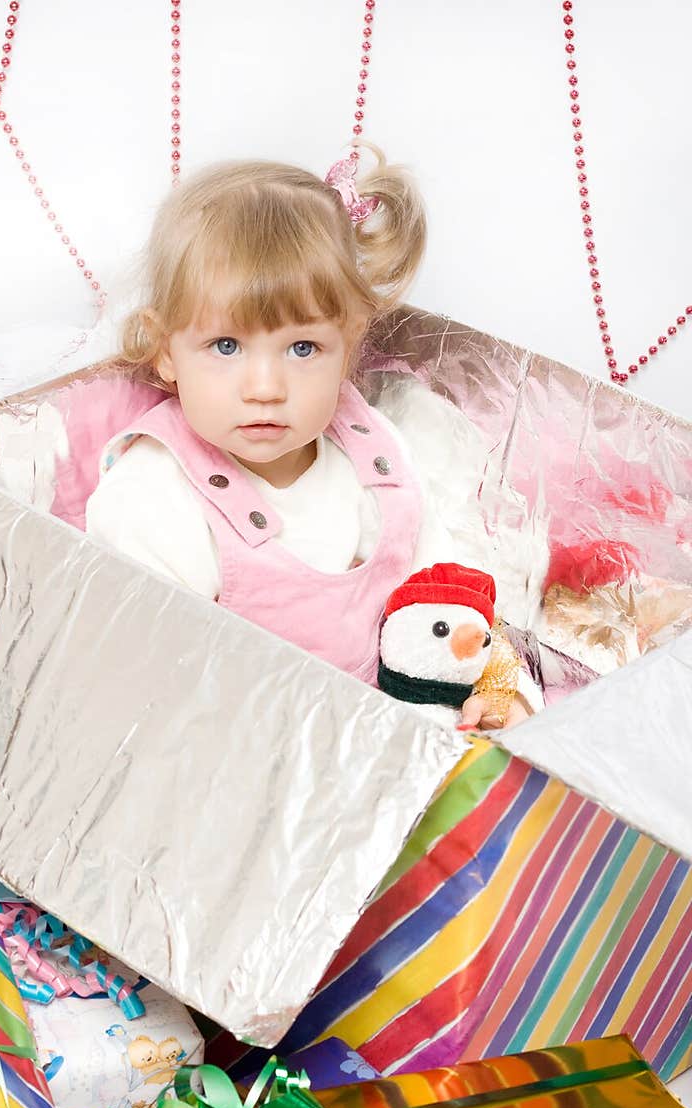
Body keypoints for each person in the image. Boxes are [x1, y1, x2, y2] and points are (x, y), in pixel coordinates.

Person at [85, 144, 540, 728]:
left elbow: (441, 597)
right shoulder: (151, 499)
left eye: (303, 349)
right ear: (165, 349)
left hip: (392, 740)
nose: (266, 387)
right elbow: (163, 700)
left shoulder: (374, 454)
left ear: (348, 345)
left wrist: (498, 691)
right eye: (226, 346)